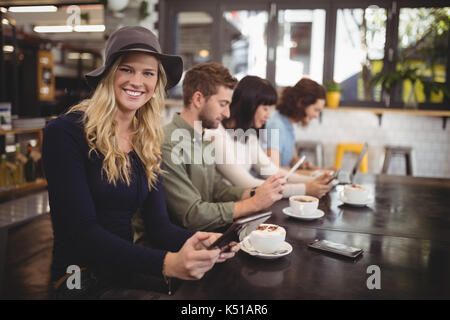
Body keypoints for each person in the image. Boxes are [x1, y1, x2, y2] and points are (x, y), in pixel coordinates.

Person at [43, 26, 237, 300]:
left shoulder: (146, 140)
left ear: (156, 83)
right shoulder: (65, 133)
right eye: (127, 69)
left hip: (123, 269)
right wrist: (168, 263)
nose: (138, 81)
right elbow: (82, 232)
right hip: (78, 280)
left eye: (148, 73)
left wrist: (208, 241)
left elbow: (159, 226)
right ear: (109, 73)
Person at [158, 63, 285, 232]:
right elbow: (191, 214)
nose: (227, 114)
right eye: (223, 104)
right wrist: (253, 204)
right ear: (197, 99)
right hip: (183, 243)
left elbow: (217, 190)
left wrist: (257, 192)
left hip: (205, 234)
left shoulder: (203, 138)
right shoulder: (169, 144)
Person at [205, 75, 332, 199]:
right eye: (265, 109)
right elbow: (246, 183)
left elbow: (271, 170)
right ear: (250, 105)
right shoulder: (216, 134)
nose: (268, 115)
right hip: (227, 209)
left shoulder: (248, 135)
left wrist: (314, 179)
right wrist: (305, 189)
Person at [265, 78, 327, 171]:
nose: (316, 116)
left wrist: (321, 171)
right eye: (316, 110)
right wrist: (314, 176)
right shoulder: (276, 125)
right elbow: (273, 170)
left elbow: (293, 160)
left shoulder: (287, 124)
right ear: (301, 103)